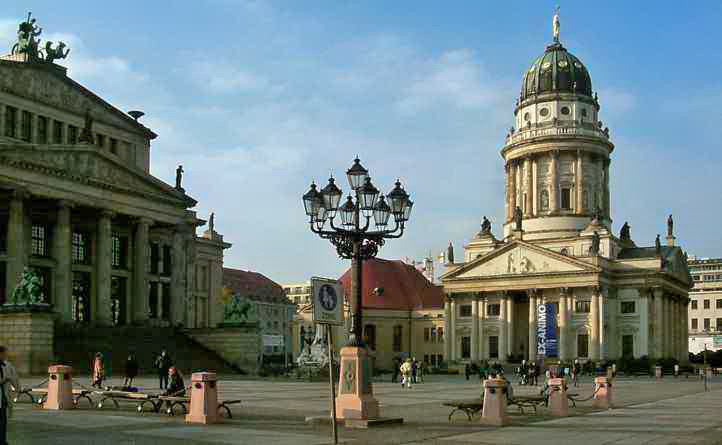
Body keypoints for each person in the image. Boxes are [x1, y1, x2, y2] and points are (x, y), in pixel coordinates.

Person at [1, 345, 20, 445]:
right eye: (4, 353)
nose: (6, 355)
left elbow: (14, 378)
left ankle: (2, 441)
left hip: (3, 398)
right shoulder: (7, 365)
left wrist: (17, 389)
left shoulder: (7, 365)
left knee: (3, 421)